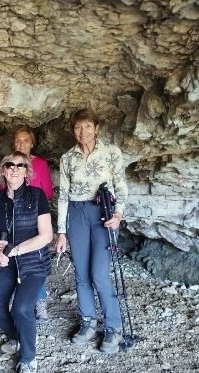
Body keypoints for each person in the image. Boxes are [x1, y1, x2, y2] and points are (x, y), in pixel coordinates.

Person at [55, 108, 128, 354]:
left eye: (87, 126)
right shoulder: (67, 158)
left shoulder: (111, 153)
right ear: (73, 131)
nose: (82, 131)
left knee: (99, 273)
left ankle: (114, 327)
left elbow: (121, 186)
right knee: (81, 273)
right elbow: (63, 196)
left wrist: (118, 214)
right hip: (77, 213)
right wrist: (61, 231)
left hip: (104, 214)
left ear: (96, 128)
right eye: (78, 127)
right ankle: (87, 322)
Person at [0, 152, 53, 373]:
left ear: (26, 171)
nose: (15, 169)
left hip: (33, 263)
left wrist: (16, 250)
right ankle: (20, 336)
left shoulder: (37, 196)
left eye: (20, 165)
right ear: (3, 170)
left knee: (22, 309)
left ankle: (29, 359)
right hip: (4, 261)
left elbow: (46, 236)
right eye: (10, 165)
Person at [11, 125, 54, 321]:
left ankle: (40, 301)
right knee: (14, 257)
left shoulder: (40, 164)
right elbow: (2, 188)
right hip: (14, 218)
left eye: (25, 140)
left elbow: (48, 192)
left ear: (32, 143)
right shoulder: (10, 163)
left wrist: (33, 202)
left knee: (36, 259)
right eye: (18, 141)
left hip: (36, 217)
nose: (22, 144)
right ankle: (19, 301)